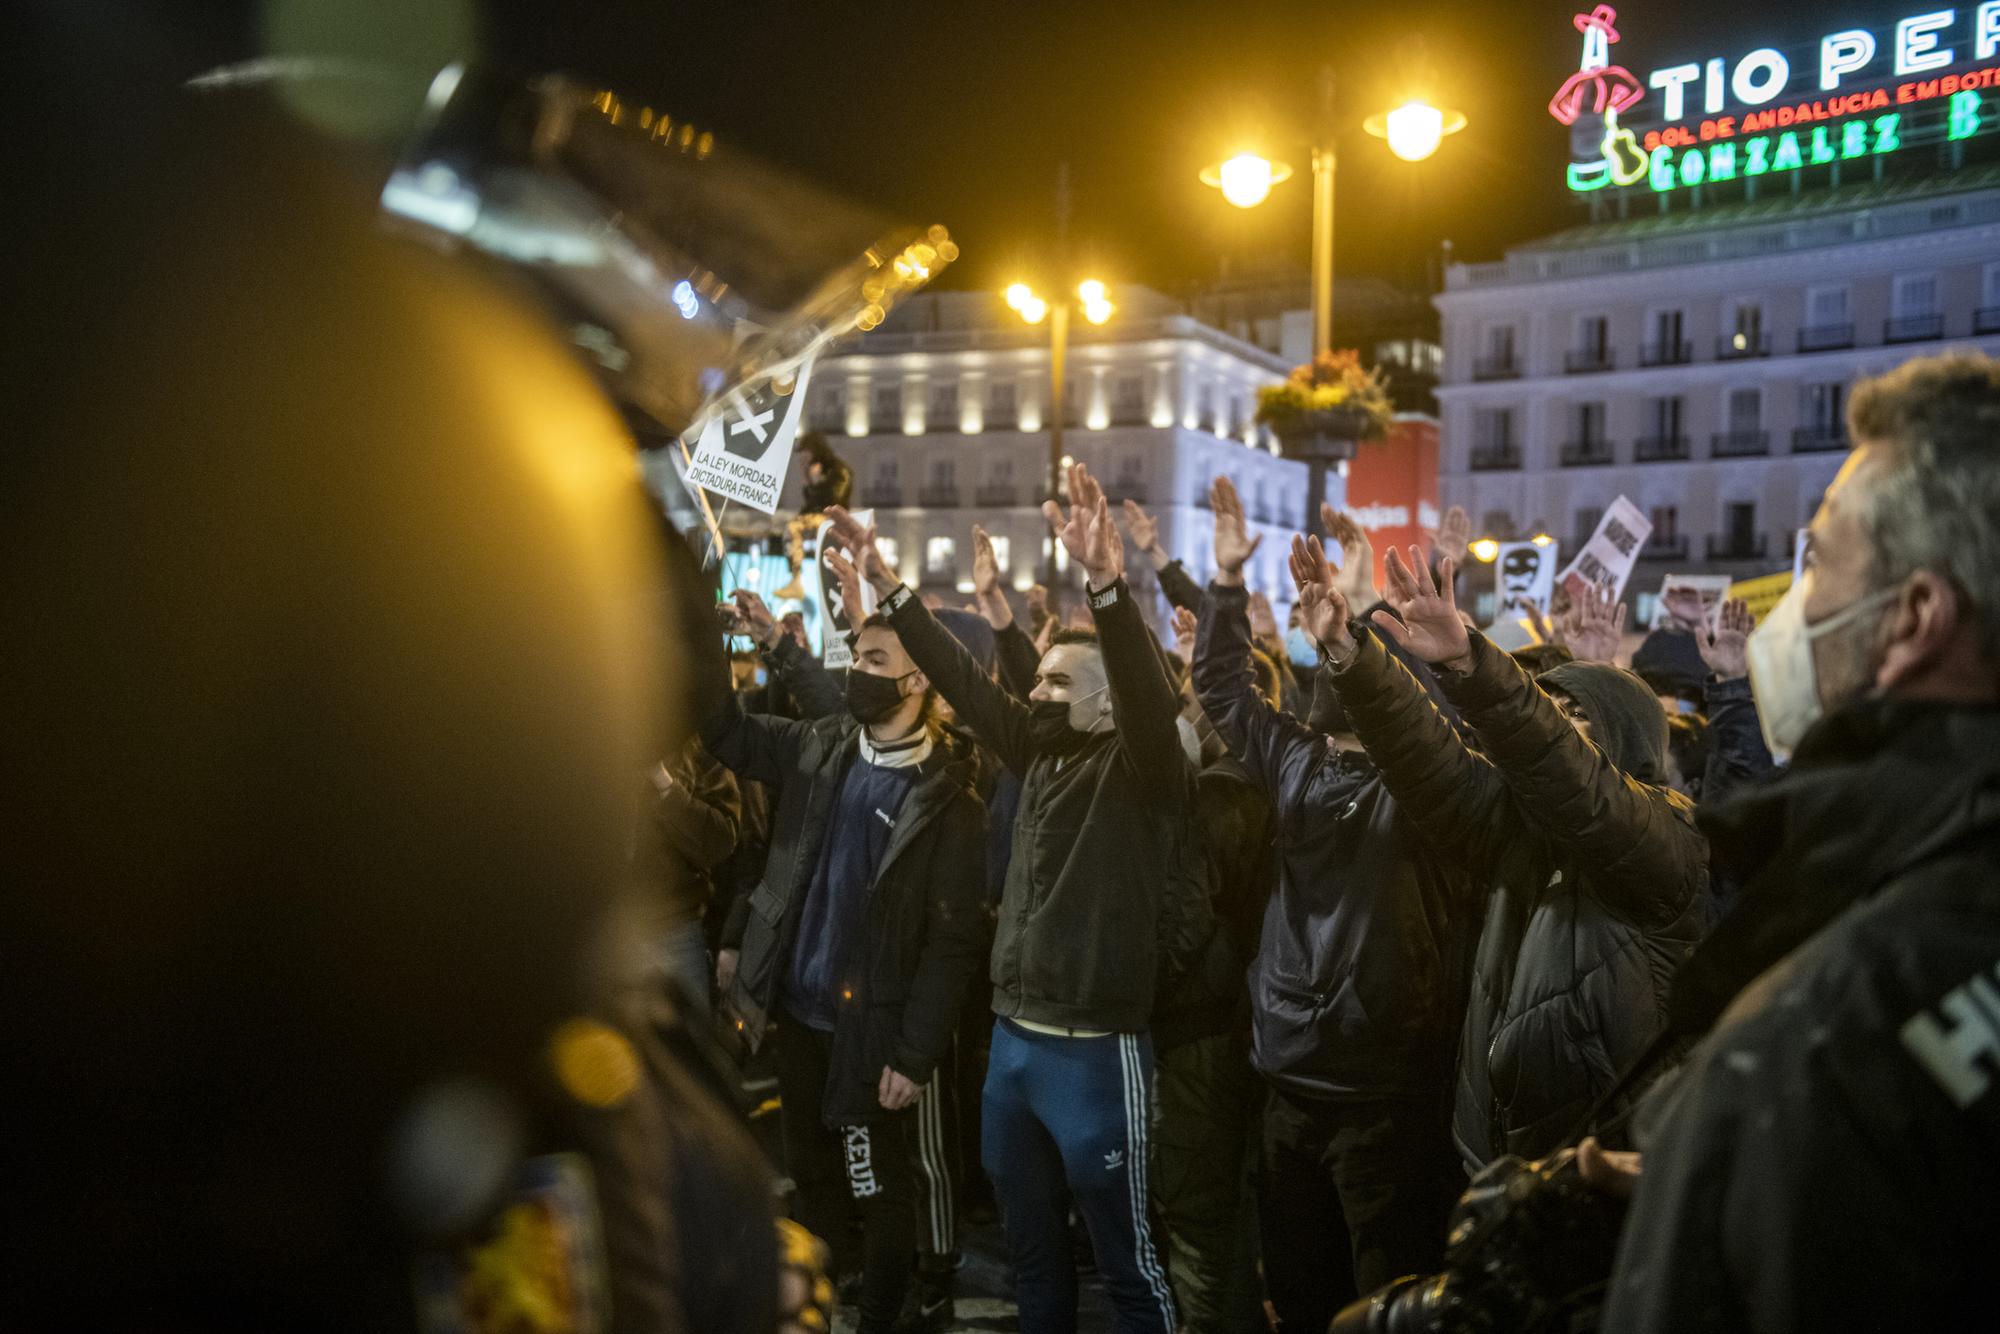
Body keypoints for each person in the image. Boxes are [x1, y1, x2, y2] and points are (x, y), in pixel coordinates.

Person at [1592, 351, 2000, 1333]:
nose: (1794, 604)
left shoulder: (1824, 1032)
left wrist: (1723, 1174)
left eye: (1814, 559)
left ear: (1911, 617)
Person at [825, 462, 1201, 1334]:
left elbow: (1150, 701)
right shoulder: (1040, 753)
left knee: (1130, 1266)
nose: (1034, 692)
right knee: (1034, 1261)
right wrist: (886, 580)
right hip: (1014, 1047)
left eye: (1058, 685)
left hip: (1097, 1055)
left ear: (1109, 708)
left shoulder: (1147, 772)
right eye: (1037, 682)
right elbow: (961, 677)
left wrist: (1106, 585)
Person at [1296, 536, 1708, 1169]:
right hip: (1498, 1156)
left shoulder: (1666, 832)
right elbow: (1432, 761)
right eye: (1546, 705)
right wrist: (1351, 654)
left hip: (1607, 1157)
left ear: (1626, 736)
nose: (1554, 720)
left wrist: (1469, 665)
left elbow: (1569, 776)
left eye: (1572, 711)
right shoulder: (1521, 826)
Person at [1193, 478, 1468, 1327]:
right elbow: (1225, 690)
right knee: (1302, 1300)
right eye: (1327, 643)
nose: (1329, 654)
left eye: (1350, 645)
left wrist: (1448, 650)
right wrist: (1227, 584)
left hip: (1384, 1101)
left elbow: (1473, 733)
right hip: (1286, 1088)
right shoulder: (1296, 756)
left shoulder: (1431, 781)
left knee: (1383, 1310)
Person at [702, 594, 990, 1334]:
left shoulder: (949, 802)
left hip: (872, 1039)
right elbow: (726, 732)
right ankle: (825, 1318)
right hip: (800, 1021)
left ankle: (879, 1323)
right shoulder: (824, 744)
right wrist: (706, 642)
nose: (858, 673)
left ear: (918, 679)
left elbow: (951, 945)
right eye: (856, 658)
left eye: (873, 661)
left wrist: (915, 1054)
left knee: (878, 1194)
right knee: (816, 1187)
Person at [637, 738, 741, 1019]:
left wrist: (663, 782)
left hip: (675, 931)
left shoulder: (698, 749)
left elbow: (720, 843)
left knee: (689, 1046)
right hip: (608, 931)